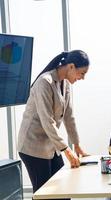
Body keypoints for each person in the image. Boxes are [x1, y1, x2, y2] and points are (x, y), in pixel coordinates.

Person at [17, 50, 90, 194]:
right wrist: (66, 149)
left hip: (51, 145)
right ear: (71, 67)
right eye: (82, 73)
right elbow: (47, 121)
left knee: (64, 189)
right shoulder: (44, 82)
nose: (83, 78)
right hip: (33, 146)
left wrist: (76, 145)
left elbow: (69, 116)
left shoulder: (66, 83)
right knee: (44, 193)